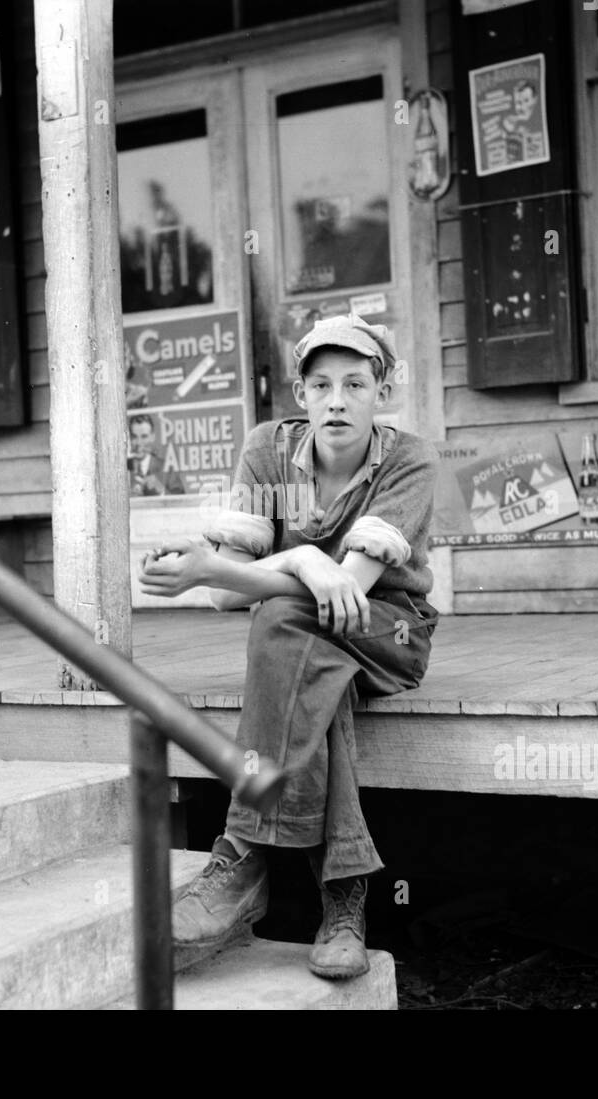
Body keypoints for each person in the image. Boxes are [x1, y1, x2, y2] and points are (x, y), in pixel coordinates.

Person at [137, 313, 439, 979]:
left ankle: (243, 854)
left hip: (389, 630)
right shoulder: (269, 451)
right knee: (308, 663)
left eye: (356, 383)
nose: (337, 400)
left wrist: (256, 563)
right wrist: (304, 562)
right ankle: (343, 895)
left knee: (284, 625)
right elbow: (228, 600)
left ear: (380, 391)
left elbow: (348, 594)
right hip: (311, 641)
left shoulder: (409, 459)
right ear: (300, 395)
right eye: (322, 384)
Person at [128, 413, 186, 496]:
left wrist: (161, 491)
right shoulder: (121, 469)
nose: (138, 443)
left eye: (144, 436)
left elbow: (182, 502)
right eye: (134, 436)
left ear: (152, 437)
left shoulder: (167, 467)